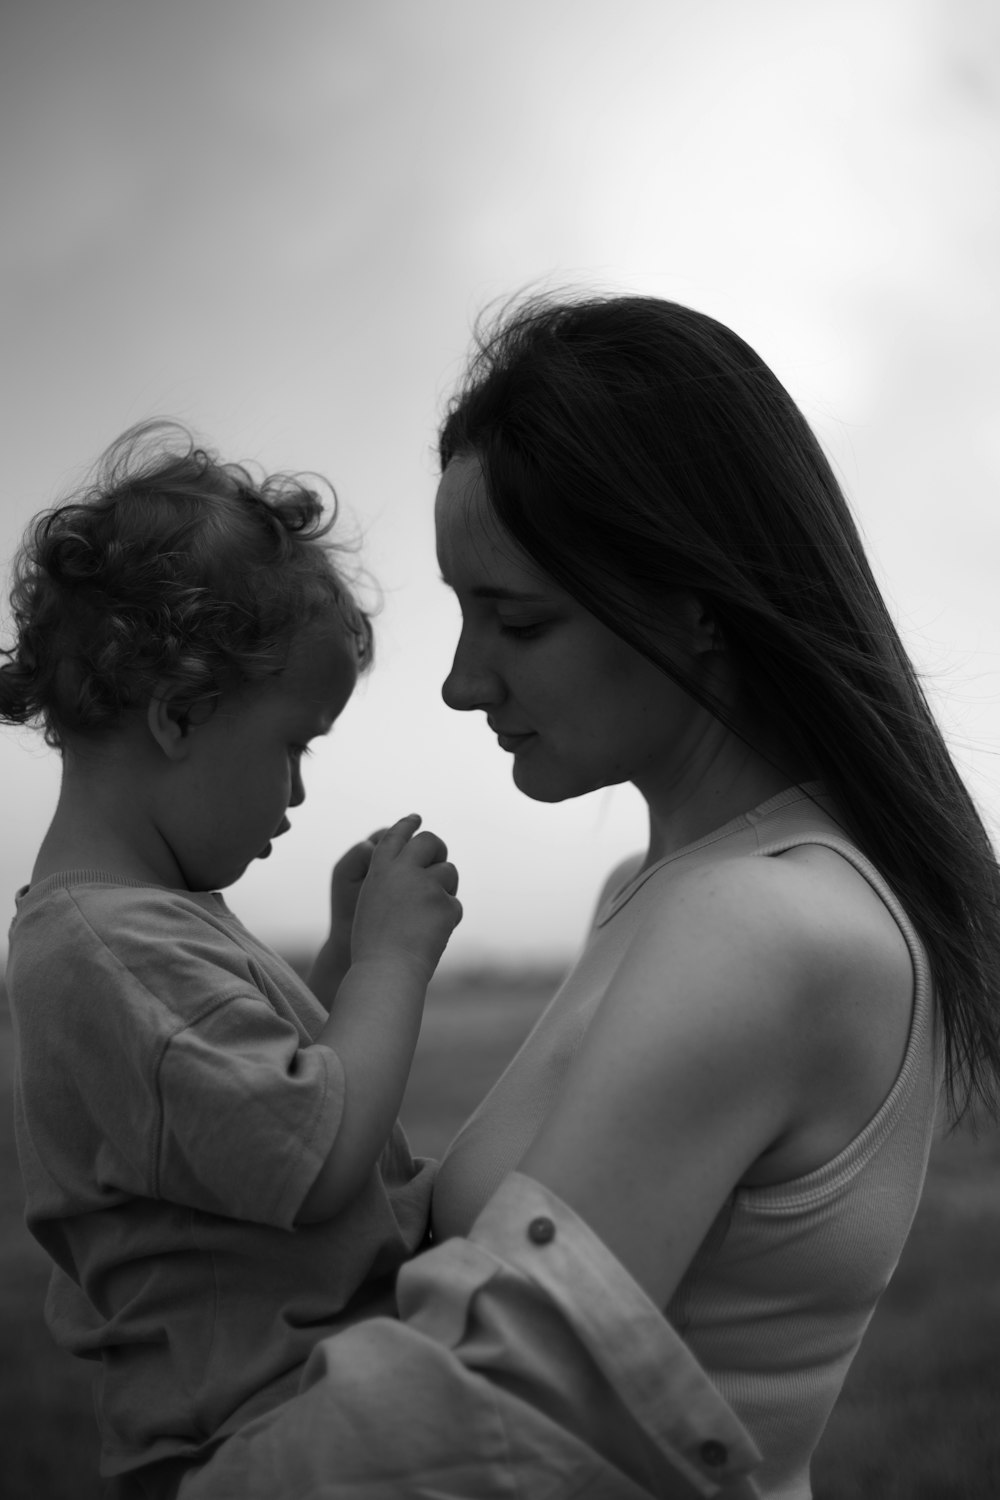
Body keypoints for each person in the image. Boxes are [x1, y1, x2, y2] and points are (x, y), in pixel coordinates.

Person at [176, 294, 1000, 1500]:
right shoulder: (658, 892)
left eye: (516, 618)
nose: (462, 682)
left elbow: (467, 1413)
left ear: (694, 601)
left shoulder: (761, 929)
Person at [0, 423, 462, 1499]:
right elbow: (315, 1161)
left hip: (305, 1418)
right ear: (177, 716)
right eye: (291, 745)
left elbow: (267, 1103)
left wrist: (343, 961)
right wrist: (394, 963)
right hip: (264, 1447)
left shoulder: (150, 925)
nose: (297, 798)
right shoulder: (111, 948)